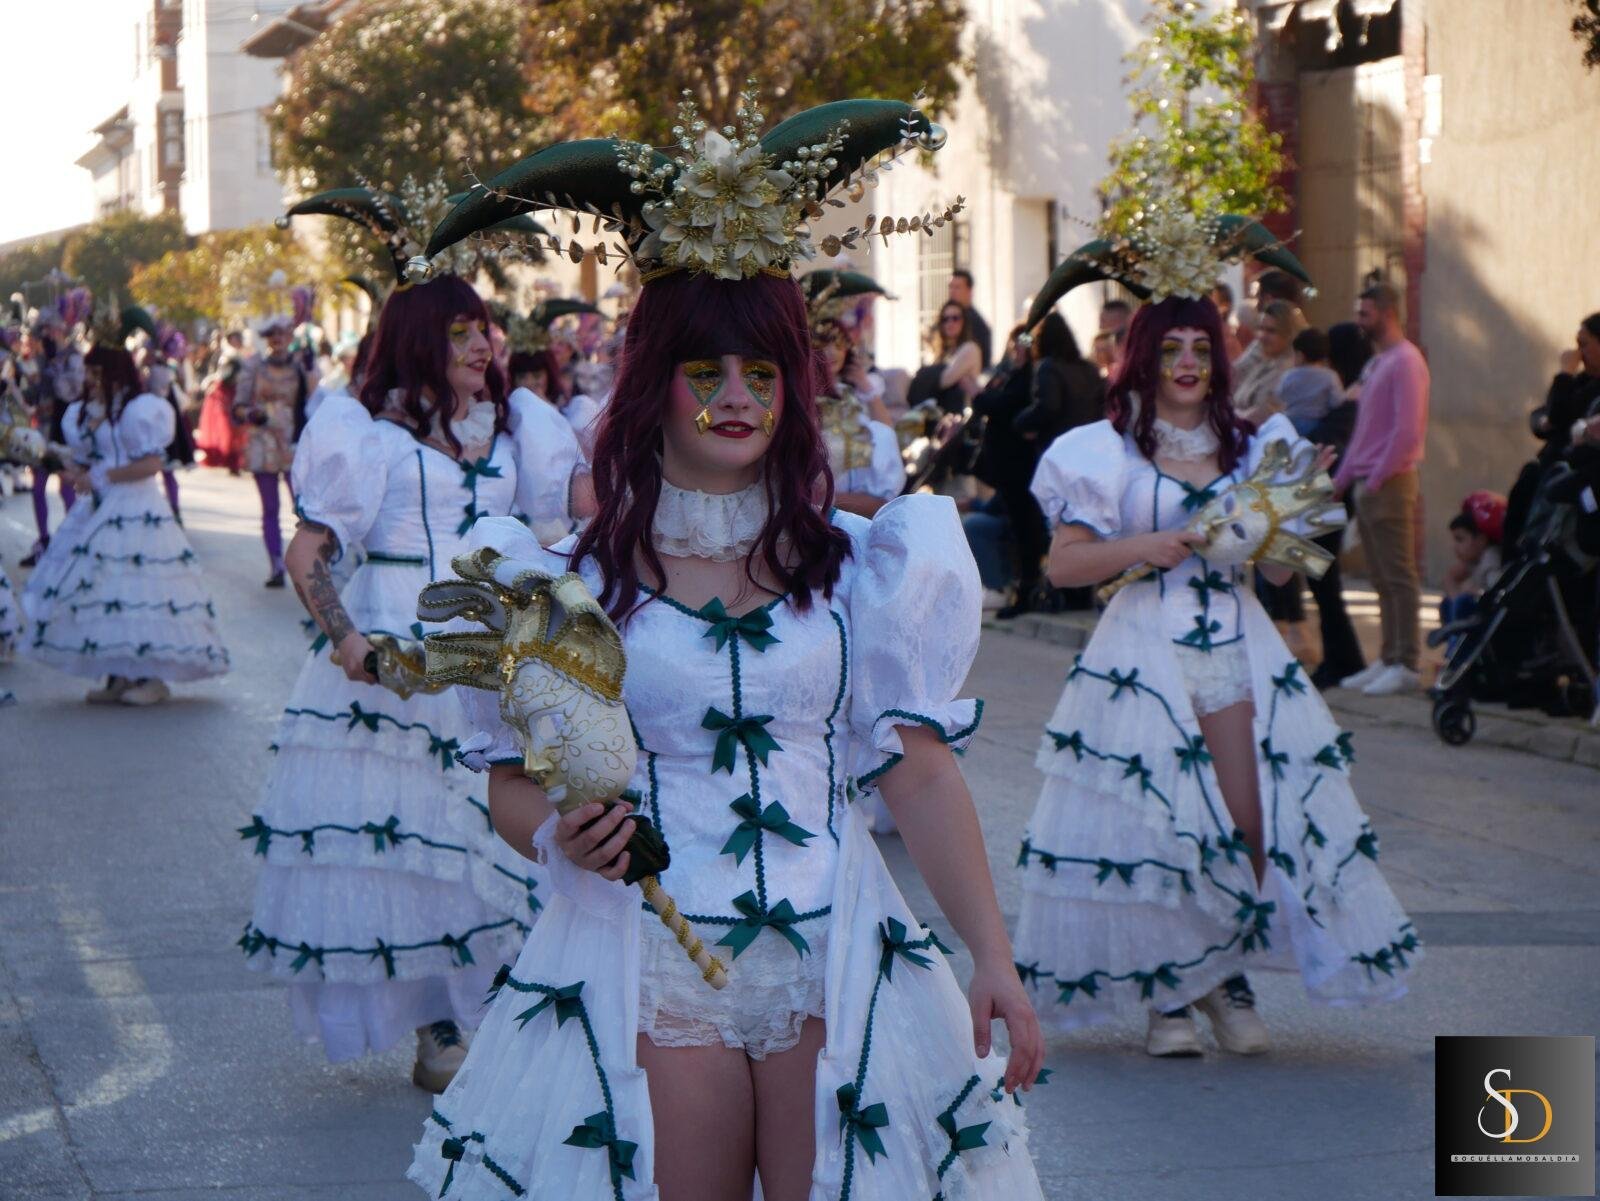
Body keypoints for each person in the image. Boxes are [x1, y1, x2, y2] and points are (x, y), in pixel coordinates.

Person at [407, 92, 1046, 1201]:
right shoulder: (567, 582)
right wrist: (561, 831)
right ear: (656, 381)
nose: (741, 397)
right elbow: (511, 783)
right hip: (647, 958)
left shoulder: (863, 562)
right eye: (709, 371)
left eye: (765, 370)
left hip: (836, 954)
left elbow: (920, 770)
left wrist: (991, 955)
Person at [1013, 210, 1419, 1059]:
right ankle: (1170, 991)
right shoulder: (1103, 450)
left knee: (1249, 819)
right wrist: (1150, 545)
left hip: (1236, 650)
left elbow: (1280, 579)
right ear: (1145, 357)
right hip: (1142, 654)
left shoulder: (1256, 444)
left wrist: (1279, 518)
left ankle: (1222, 974)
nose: (1189, 363)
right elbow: (1065, 565)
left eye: (1201, 347)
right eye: (1171, 349)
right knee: (1159, 826)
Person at [241, 187, 584, 1092]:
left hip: (503, 653)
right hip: (406, 662)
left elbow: (576, 513)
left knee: (505, 836)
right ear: (421, 341)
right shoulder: (367, 435)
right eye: (461, 332)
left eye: (485, 330)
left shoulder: (521, 428)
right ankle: (440, 1025)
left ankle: (510, 1009)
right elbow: (309, 551)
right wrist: (352, 643)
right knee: (422, 847)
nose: (483, 346)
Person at [22, 328, 229, 704]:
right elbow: (90, 461)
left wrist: (100, 477)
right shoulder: (87, 411)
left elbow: (150, 465)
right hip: (101, 506)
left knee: (138, 589)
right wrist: (57, 462)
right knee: (102, 587)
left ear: (114, 373)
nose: (88, 379)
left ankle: (151, 678)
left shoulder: (139, 409)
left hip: (136, 506)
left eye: (95, 372)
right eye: (89, 372)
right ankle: (119, 675)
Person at [1334, 282, 1430, 697]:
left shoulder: (1406, 361)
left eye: (1365, 313)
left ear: (1387, 313)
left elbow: (1406, 432)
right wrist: (1341, 480)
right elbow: (1364, 431)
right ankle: (1388, 657)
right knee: (1379, 576)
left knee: (1398, 576)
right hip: (1368, 481)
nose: (1359, 321)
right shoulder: (1377, 363)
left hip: (1389, 481)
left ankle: (1406, 662)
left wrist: (1374, 479)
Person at [1002, 311, 1105, 617]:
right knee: (1085, 524)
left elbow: (1048, 406)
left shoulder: (1048, 368)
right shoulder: (1088, 369)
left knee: (1058, 526)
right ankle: (1082, 592)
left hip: (1059, 456)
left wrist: (1020, 422)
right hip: (1090, 455)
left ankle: (1061, 589)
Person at [1305, 322, 1371, 690]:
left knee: (1324, 580)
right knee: (1322, 582)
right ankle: (1342, 658)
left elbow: (1331, 440)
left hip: (1334, 493)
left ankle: (1342, 661)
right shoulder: (1344, 393)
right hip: (1332, 493)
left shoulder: (1353, 397)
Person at [234, 315, 315, 588]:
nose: (278, 339)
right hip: (263, 442)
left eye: (282, 334)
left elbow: (313, 399)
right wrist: (253, 414)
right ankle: (276, 565)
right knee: (270, 507)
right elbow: (238, 406)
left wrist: (311, 365)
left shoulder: (301, 365)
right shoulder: (254, 366)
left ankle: (310, 563)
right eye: (272, 335)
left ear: (290, 337)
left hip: (293, 440)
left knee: (304, 507)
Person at [812, 314, 903, 517]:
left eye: (839, 344)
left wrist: (864, 384)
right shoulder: (805, 395)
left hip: (862, 500)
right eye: (825, 343)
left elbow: (886, 432)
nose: (832, 352)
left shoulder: (857, 391)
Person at [19, 304, 85, 567]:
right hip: (43, 429)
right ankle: (43, 540)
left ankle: (73, 541)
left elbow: (72, 391)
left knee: (66, 485)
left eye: (49, 329)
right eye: (42, 330)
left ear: (60, 329)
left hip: (64, 429)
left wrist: (54, 368)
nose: (46, 334)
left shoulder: (73, 356)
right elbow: (35, 393)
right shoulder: (40, 356)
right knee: (38, 486)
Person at [1439, 492, 1506, 642]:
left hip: (1493, 620)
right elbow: (1451, 580)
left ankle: (1458, 647)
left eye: (1460, 539)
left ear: (1481, 540)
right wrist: (1453, 585)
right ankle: (1454, 646)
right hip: (1483, 615)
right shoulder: (1474, 560)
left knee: (1463, 602)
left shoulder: (1491, 559)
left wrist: (1471, 593)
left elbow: (1497, 591)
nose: (1454, 547)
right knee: (1448, 603)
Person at [1230, 299, 1305, 423]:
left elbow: (1261, 414)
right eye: (1261, 329)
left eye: (1271, 331)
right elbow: (1232, 375)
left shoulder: (1290, 372)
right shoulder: (1263, 357)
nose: (1262, 336)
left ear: (1289, 334)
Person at [1278, 327, 1345, 439]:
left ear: (1300, 355)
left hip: (1289, 423)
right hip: (1316, 426)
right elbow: (1337, 402)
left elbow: (1280, 394)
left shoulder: (1289, 375)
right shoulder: (1330, 376)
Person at [923, 300, 984, 413]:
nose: (950, 323)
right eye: (945, 319)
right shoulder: (942, 352)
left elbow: (942, 381)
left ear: (964, 322)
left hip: (963, 414)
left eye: (955, 318)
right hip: (940, 413)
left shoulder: (970, 348)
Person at [949, 267, 992, 368]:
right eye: (950, 287)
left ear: (969, 290)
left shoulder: (977, 323)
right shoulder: (948, 316)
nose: (952, 291)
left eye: (957, 287)